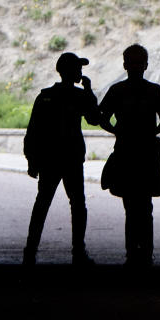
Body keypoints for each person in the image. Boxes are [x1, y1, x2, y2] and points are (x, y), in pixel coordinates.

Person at [22, 52, 100, 267]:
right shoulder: (79, 96)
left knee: (42, 204)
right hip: (72, 158)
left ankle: (30, 251)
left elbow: (33, 131)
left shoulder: (45, 96)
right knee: (78, 205)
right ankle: (78, 252)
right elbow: (95, 119)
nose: (81, 72)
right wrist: (89, 90)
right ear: (72, 71)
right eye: (78, 69)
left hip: (49, 159)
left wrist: (32, 160)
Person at [99, 44, 160, 268]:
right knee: (145, 206)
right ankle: (146, 253)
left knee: (130, 206)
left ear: (124, 65)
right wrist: (149, 133)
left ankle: (132, 253)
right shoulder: (155, 90)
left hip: (125, 152)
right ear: (146, 65)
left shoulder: (116, 90)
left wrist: (119, 132)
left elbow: (103, 119)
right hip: (147, 153)